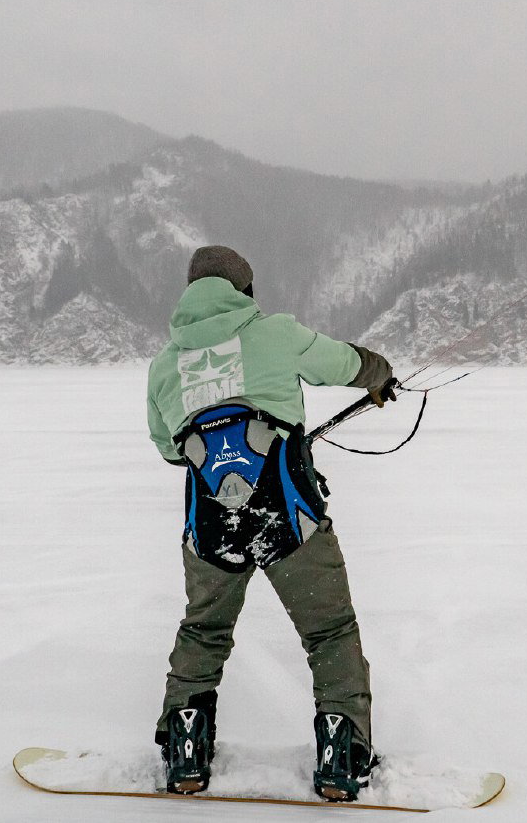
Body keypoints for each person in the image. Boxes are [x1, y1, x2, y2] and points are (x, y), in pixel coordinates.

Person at [146, 245, 396, 802]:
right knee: (329, 632)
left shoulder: (164, 365)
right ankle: (342, 754)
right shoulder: (275, 332)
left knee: (204, 632)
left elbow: (168, 448)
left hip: (209, 526)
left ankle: (186, 749)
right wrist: (381, 375)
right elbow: (347, 365)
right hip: (290, 519)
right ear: (245, 289)